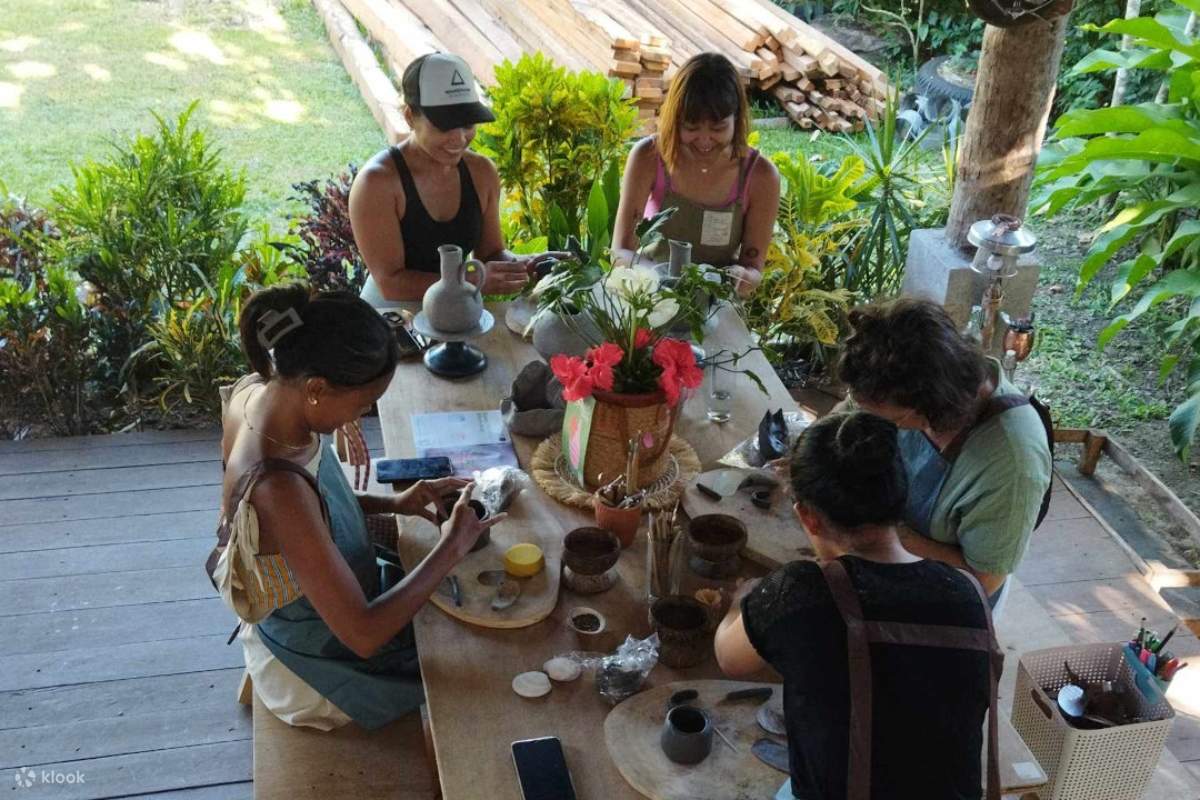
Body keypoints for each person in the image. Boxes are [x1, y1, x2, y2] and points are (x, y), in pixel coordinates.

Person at [210, 284, 503, 730]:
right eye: (362, 404)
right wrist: (452, 546)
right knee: (478, 673)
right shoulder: (277, 488)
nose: (361, 416)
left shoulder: (260, 393)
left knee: (457, 611)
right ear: (316, 388)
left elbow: (310, 517)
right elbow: (363, 635)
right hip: (316, 666)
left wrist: (396, 503)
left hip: (321, 603)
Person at [714, 411, 1000, 800]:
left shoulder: (803, 590)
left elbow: (729, 658)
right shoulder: (967, 594)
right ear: (900, 502)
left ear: (808, 518)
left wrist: (740, 602)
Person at [836, 298, 1053, 607]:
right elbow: (846, 416)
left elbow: (983, 581)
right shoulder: (892, 382)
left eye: (894, 420)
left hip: (950, 595)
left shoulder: (1013, 464)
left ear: (932, 408)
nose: (882, 423)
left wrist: (886, 533)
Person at [349, 52, 555, 305]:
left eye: (468, 125)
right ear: (410, 117)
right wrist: (469, 280)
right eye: (445, 126)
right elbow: (390, 283)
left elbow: (490, 253)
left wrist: (533, 263)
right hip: (394, 316)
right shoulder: (378, 183)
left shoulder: (481, 172)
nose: (459, 139)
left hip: (460, 307)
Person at [611, 52, 780, 298]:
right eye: (691, 128)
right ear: (675, 120)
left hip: (715, 306)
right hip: (647, 297)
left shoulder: (760, 177)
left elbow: (753, 269)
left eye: (718, 128)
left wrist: (741, 279)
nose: (704, 140)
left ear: (737, 119)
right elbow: (620, 252)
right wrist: (660, 278)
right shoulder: (648, 157)